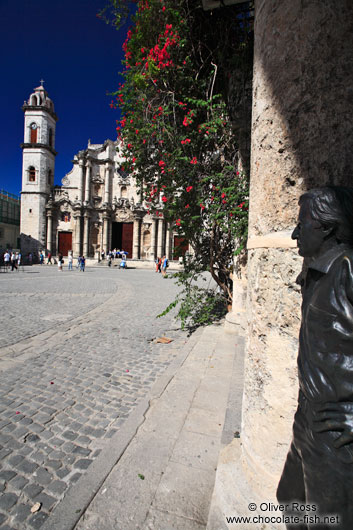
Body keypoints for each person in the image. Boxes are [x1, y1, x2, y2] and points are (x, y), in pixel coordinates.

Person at [277, 187, 353, 530]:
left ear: (326, 227)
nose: (295, 233)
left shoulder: (348, 270)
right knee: (289, 501)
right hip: (307, 415)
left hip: (338, 432)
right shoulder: (315, 272)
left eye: (301, 224)